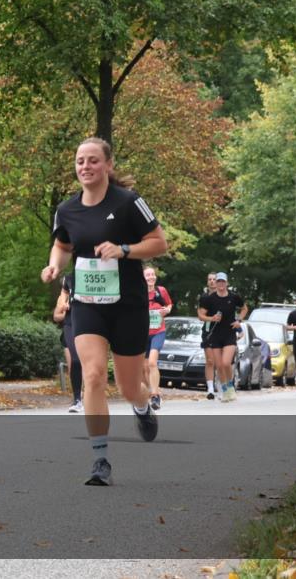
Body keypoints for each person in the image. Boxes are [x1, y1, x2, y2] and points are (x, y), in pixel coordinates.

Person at [41, 137, 168, 486]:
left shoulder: (128, 202)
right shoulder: (67, 209)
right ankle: (100, 460)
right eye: (80, 161)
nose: (86, 166)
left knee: (128, 386)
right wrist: (54, 265)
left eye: (93, 160)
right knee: (94, 375)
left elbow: (159, 243)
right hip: (87, 304)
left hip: (128, 305)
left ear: (108, 165)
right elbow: (62, 244)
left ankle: (142, 405)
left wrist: (123, 249)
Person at [197, 272, 247, 402]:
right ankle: (225, 390)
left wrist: (239, 321)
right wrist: (212, 318)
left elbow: (244, 309)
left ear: (227, 283)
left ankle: (230, 386)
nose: (220, 284)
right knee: (219, 365)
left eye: (223, 281)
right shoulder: (210, 299)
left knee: (226, 363)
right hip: (215, 335)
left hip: (229, 333)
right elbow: (201, 315)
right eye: (218, 281)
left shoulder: (234, 297)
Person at [53, 274, 84, 413]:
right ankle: (77, 399)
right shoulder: (69, 279)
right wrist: (63, 306)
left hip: (87, 323)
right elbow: (56, 315)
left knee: (89, 364)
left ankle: (90, 392)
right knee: (75, 361)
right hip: (70, 324)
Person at [144, 267, 173, 410]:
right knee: (145, 368)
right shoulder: (139, 292)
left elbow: (169, 304)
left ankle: (155, 396)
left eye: (152, 274)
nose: (151, 277)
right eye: (148, 275)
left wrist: (167, 310)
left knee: (152, 363)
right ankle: (153, 390)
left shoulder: (161, 290)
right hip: (143, 333)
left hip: (158, 331)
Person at [199, 272, 219, 398]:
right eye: (209, 279)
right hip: (208, 331)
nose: (212, 281)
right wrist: (211, 319)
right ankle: (210, 389)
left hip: (223, 332)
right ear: (207, 282)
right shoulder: (204, 297)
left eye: (214, 279)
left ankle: (222, 385)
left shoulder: (224, 296)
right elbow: (200, 316)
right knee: (210, 361)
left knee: (221, 362)